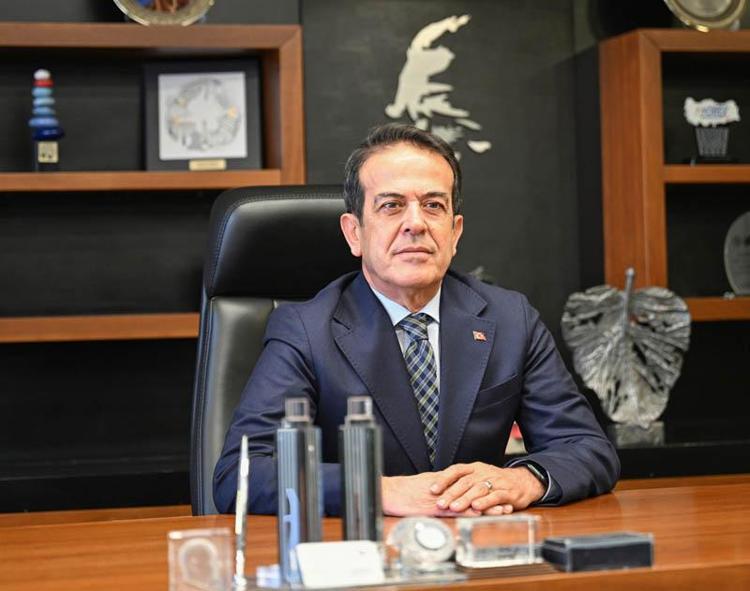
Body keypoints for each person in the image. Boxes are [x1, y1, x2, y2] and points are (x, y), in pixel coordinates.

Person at [213, 123, 619, 517]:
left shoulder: (511, 319)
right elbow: (241, 473)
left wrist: (524, 480)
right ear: (354, 233)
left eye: (433, 205)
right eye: (391, 206)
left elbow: (587, 447)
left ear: (455, 232)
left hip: (476, 545)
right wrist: (378, 490)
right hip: (361, 549)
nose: (416, 223)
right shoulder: (305, 330)